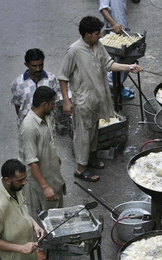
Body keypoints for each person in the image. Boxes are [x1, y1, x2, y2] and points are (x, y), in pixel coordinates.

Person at [58, 15, 142, 182]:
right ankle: (80, 169)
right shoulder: (74, 51)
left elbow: (108, 64)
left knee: (94, 131)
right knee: (83, 135)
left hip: (98, 97)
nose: (100, 36)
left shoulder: (98, 45)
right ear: (87, 34)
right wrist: (67, 101)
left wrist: (129, 67)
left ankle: (91, 158)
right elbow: (63, 76)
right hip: (83, 101)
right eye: (97, 33)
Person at [0, 159, 44, 260]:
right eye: (20, 180)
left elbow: (20, 210)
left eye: (25, 179)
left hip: (28, 256)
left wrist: (34, 224)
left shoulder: (14, 187)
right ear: (7, 180)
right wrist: (21, 248)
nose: (24, 183)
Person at [18, 86, 66, 218]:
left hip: (53, 176)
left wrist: (54, 157)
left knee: (58, 214)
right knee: (48, 218)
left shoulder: (47, 116)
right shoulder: (29, 127)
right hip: (42, 182)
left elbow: (48, 141)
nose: (54, 106)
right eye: (52, 103)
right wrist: (45, 187)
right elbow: (31, 162)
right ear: (44, 104)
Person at [11, 48, 58, 128]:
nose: (38, 69)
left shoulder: (51, 79)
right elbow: (18, 105)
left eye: (41, 65)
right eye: (34, 66)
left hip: (47, 126)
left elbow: (55, 102)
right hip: (27, 128)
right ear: (26, 64)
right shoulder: (17, 83)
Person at [99, 0, 135, 99]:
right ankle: (112, 88)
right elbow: (103, 9)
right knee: (122, 60)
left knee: (128, 57)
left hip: (122, 29)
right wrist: (114, 24)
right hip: (112, 31)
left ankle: (118, 86)